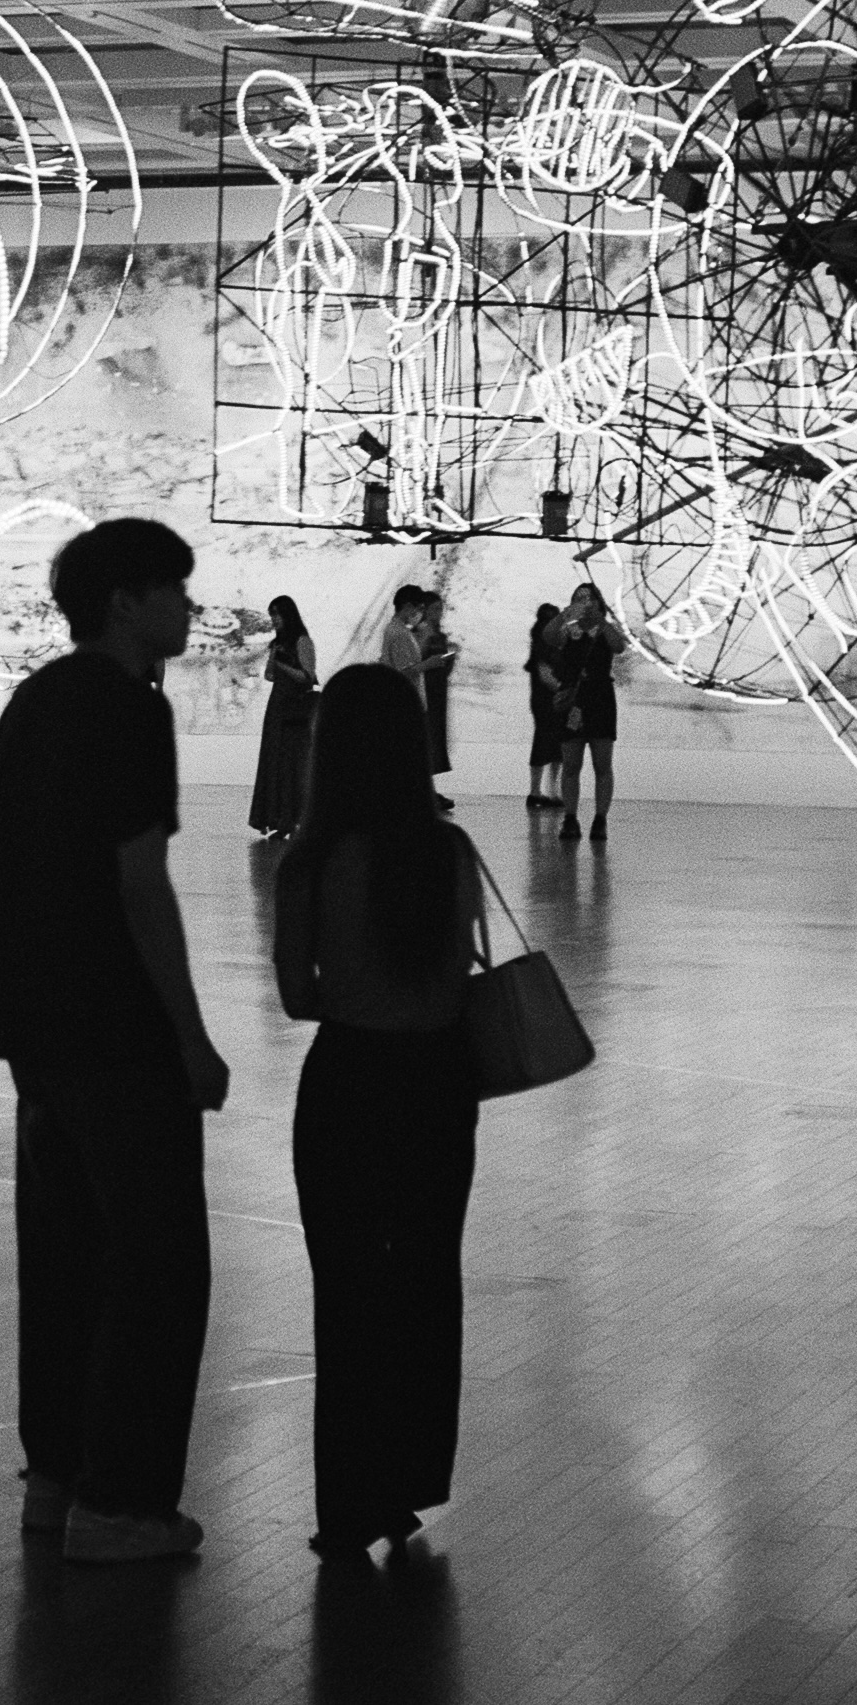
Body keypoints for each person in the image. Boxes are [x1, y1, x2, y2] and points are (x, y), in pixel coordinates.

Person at [0, 518, 228, 1566]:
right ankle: (122, 1503)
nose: (188, 606)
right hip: (116, 1024)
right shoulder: (130, 707)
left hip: (39, 1027)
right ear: (125, 601)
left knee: (65, 1253)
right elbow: (139, 882)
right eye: (173, 588)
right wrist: (191, 1033)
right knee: (157, 1265)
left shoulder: (40, 694)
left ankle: (58, 1476)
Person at [273, 664, 486, 1561]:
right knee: (427, 1282)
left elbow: (296, 996)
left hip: (348, 1080)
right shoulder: (448, 852)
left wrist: (356, 993)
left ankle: (347, 1506)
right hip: (437, 1083)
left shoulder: (311, 861)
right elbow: (461, 974)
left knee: (348, 1295)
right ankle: (405, 1486)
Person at [551, 581, 628, 842]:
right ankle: (570, 817)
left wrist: (601, 621)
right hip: (573, 699)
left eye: (589, 598)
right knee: (571, 764)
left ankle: (600, 819)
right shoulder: (568, 629)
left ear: (598, 602)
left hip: (600, 698)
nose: (584, 602)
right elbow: (550, 638)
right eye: (578, 598)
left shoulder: (605, 628)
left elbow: (619, 647)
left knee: (602, 764)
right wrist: (565, 615)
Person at [248, 593, 316, 840]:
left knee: (292, 765)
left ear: (289, 615)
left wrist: (283, 664)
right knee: (274, 763)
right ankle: (278, 819)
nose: (274, 620)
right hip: (277, 707)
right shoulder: (277, 643)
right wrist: (273, 660)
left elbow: (307, 676)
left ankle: (294, 819)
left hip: (294, 708)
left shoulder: (302, 641)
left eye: (277, 615)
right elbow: (269, 676)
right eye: (272, 615)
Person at [523, 602, 566, 808]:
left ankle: (540, 791)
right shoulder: (546, 645)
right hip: (548, 700)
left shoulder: (543, 643)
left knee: (549, 743)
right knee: (549, 743)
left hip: (546, 700)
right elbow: (546, 676)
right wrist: (565, 690)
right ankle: (546, 791)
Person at [419, 590, 458, 809]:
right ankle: (424, 791)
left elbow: (443, 671)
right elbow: (415, 661)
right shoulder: (421, 633)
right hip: (425, 694)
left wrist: (450, 659)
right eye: (435, 609)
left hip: (438, 695)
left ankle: (428, 789)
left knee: (434, 740)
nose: (439, 613)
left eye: (440, 609)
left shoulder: (439, 635)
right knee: (426, 739)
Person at [382, 585, 429, 703]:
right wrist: (429, 663)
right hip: (406, 702)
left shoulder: (394, 628)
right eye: (420, 609)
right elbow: (403, 673)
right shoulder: (400, 633)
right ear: (408, 606)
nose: (421, 614)